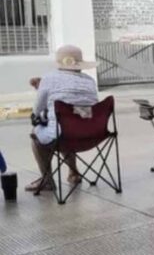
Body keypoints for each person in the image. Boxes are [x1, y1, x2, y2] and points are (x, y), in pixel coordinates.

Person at [25, 45, 99, 192]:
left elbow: (37, 110)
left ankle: (47, 181)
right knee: (66, 126)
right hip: (92, 135)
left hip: (64, 134)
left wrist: (42, 88)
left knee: (39, 134)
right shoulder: (90, 81)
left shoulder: (49, 78)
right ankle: (74, 173)